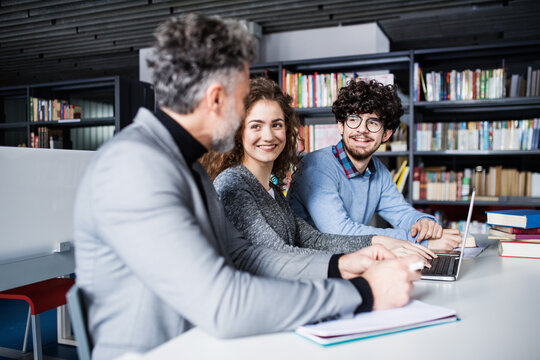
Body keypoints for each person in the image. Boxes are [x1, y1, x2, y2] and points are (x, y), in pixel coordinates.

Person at [73, 14, 421, 360]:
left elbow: (243, 254)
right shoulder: (135, 167)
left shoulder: (186, 167)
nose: (244, 119)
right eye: (242, 102)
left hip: (203, 343)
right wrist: (364, 293)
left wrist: (342, 265)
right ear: (215, 98)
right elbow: (223, 304)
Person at [201, 77, 434, 260]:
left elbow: (310, 239)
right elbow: (276, 257)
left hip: (298, 282)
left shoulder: (270, 185)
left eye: (277, 125)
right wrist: (358, 256)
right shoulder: (232, 184)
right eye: (256, 126)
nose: (269, 135)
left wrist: (378, 241)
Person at [288, 79, 462, 250]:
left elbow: (401, 214)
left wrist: (423, 223)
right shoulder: (316, 167)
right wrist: (420, 242)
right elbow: (338, 232)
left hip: (349, 258)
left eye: (373, 122)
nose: (362, 129)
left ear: (386, 134)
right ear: (341, 126)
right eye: (354, 119)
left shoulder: (378, 170)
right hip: (313, 263)